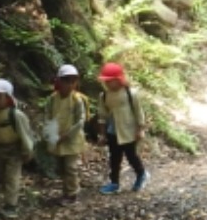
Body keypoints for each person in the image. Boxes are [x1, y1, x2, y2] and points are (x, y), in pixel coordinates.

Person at [95, 62, 149, 194]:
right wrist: (102, 134)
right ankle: (114, 183)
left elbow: (138, 112)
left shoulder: (131, 93)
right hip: (113, 131)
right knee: (114, 158)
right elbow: (102, 115)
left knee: (132, 156)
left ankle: (141, 174)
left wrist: (140, 129)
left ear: (118, 79)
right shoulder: (104, 96)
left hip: (128, 131)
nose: (107, 84)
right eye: (106, 81)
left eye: (110, 81)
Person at [0, 78, 35, 211]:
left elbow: (25, 134)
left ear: (7, 97)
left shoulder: (15, 115)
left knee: (12, 177)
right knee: (3, 176)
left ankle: (11, 205)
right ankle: (8, 198)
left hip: (14, 151)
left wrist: (28, 151)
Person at [43, 64, 91, 201]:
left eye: (73, 81)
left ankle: (72, 193)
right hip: (57, 138)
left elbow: (80, 120)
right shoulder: (53, 99)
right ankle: (66, 191)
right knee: (61, 167)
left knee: (70, 167)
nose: (70, 85)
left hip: (72, 139)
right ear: (59, 81)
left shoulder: (77, 99)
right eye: (66, 81)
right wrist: (51, 133)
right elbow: (47, 115)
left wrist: (68, 134)